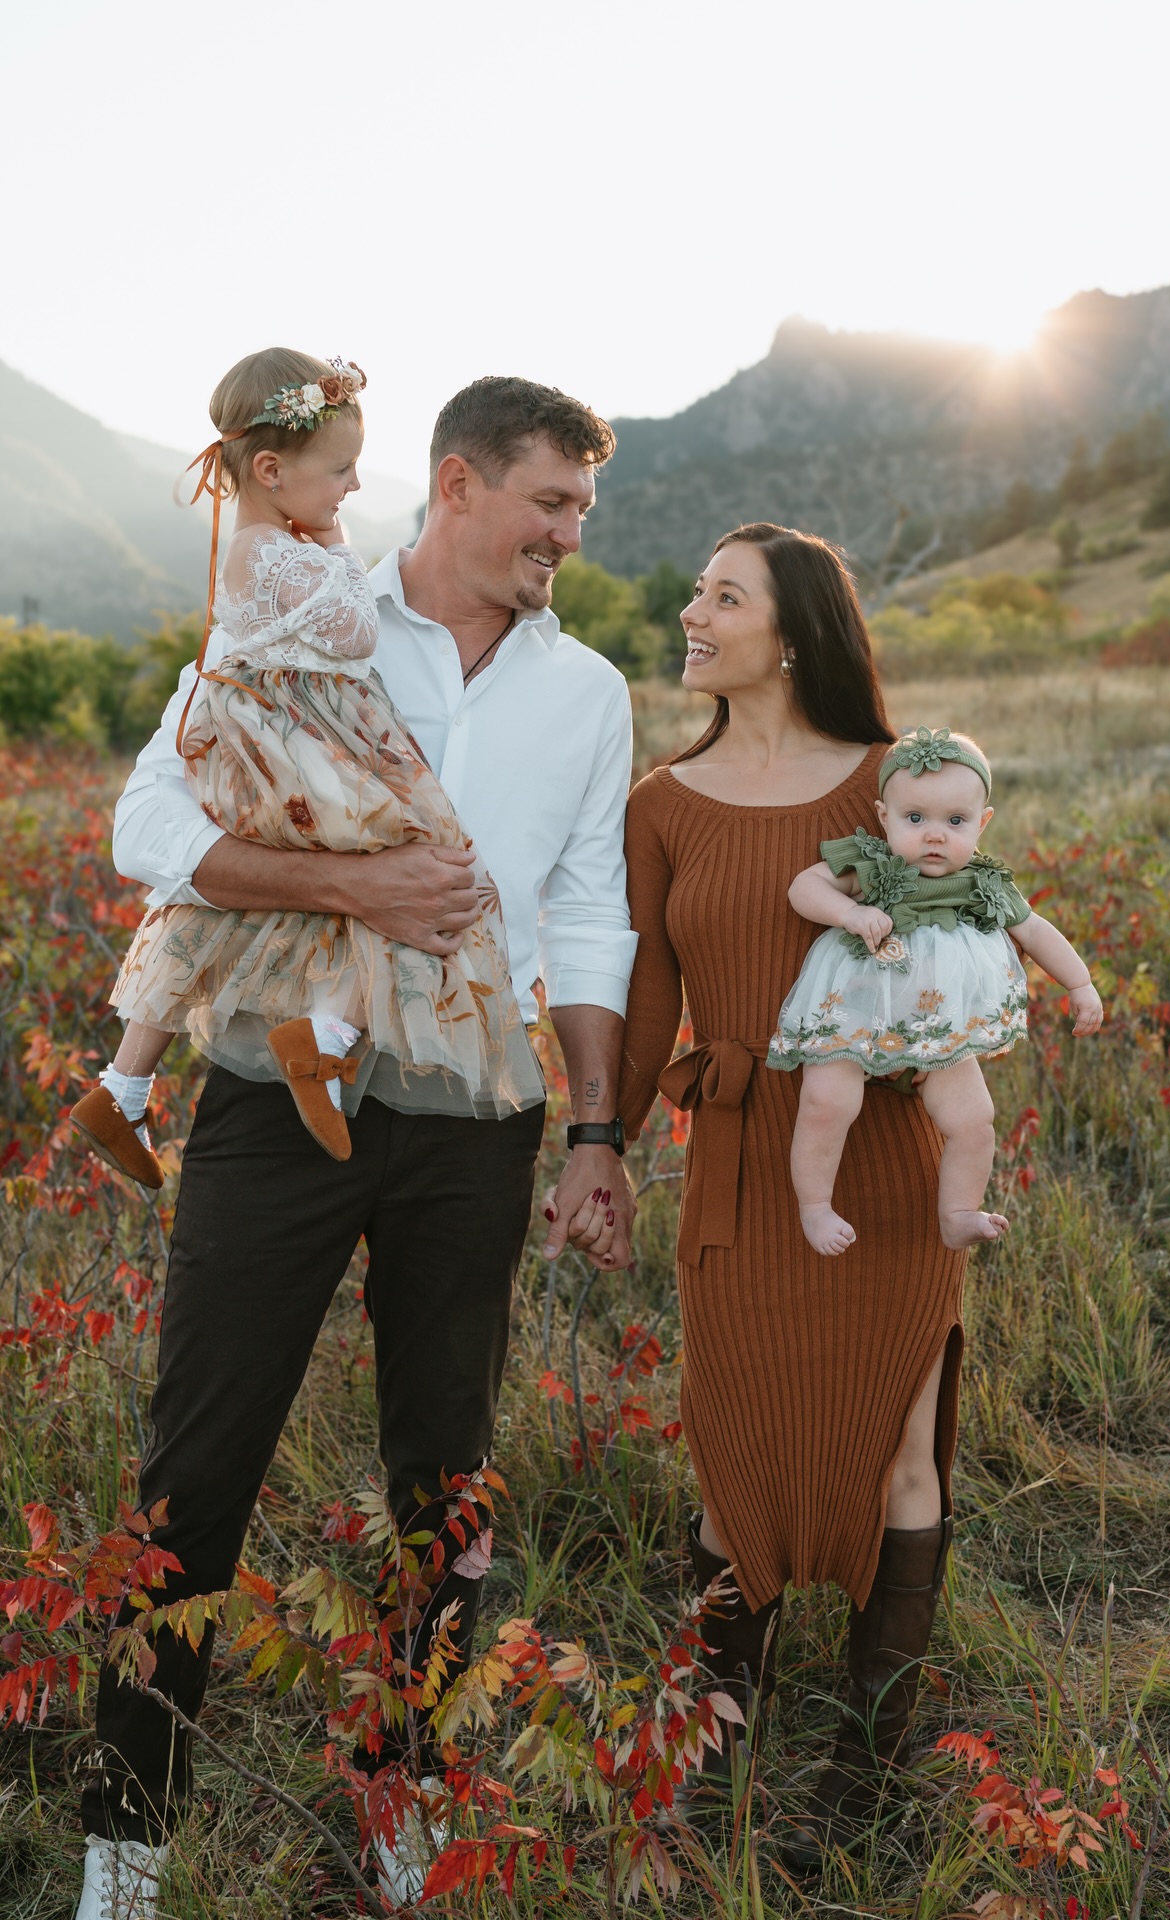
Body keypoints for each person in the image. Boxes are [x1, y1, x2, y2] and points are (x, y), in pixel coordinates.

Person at [75, 376, 638, 1918]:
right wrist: (348, 893)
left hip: (479, 1119)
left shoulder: (589, 690)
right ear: (458, 484)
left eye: (583, 510)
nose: (570, 536)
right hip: (276, 1096)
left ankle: (405, 1803)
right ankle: (123, 1848)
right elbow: (147, 820)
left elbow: (590, 911)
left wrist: (597, 1126)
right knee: (197, 1462)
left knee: (444, 1479)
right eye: (550, 503)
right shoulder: (306, 610)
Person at [617, 523, 965, 1871]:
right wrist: (603, 1142)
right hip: (743, 1155)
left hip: (881, 1156)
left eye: (722, 596)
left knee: (900, 1446)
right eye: (697, 589)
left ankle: (872, 1767)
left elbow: (964, 958)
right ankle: (716, 1741)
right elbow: (651, 993)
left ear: (795, 632)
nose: (693, 613)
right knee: (732, 1449)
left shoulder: (893, 784)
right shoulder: (665, 801)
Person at [69, 349, 541, 1185]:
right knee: (422, 853)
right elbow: (358, 629)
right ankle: (320, 1040)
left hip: (277, 737)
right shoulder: (265, 551)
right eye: (339, 471)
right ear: (271, 470)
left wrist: (320, 534)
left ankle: (125, 1084)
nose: (352, 488)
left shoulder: (266, 542)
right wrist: (333, 543)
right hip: (291, 742)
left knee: (221, 905)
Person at [768, 726, 1102, 1255]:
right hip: (853, 1014)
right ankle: (816, 1207)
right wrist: (850, 913)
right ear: (884, 817)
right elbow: (802, 888)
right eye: (915, 818)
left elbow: (1034, 931)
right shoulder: (874, 865)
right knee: (826, 1103)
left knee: (975, 1120)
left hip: (936, 1030)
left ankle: (958, 1212)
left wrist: (1079, 983)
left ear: (982, 823)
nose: (934, 835)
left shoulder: (982, 882)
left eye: (955, 821)